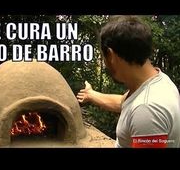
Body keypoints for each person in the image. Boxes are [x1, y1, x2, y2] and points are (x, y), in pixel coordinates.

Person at [77, 15, 180, 148]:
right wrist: (91, 94)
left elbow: (141, 109)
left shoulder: (147, 109)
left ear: (111, 55)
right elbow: (124, 102)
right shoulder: (159, 81)